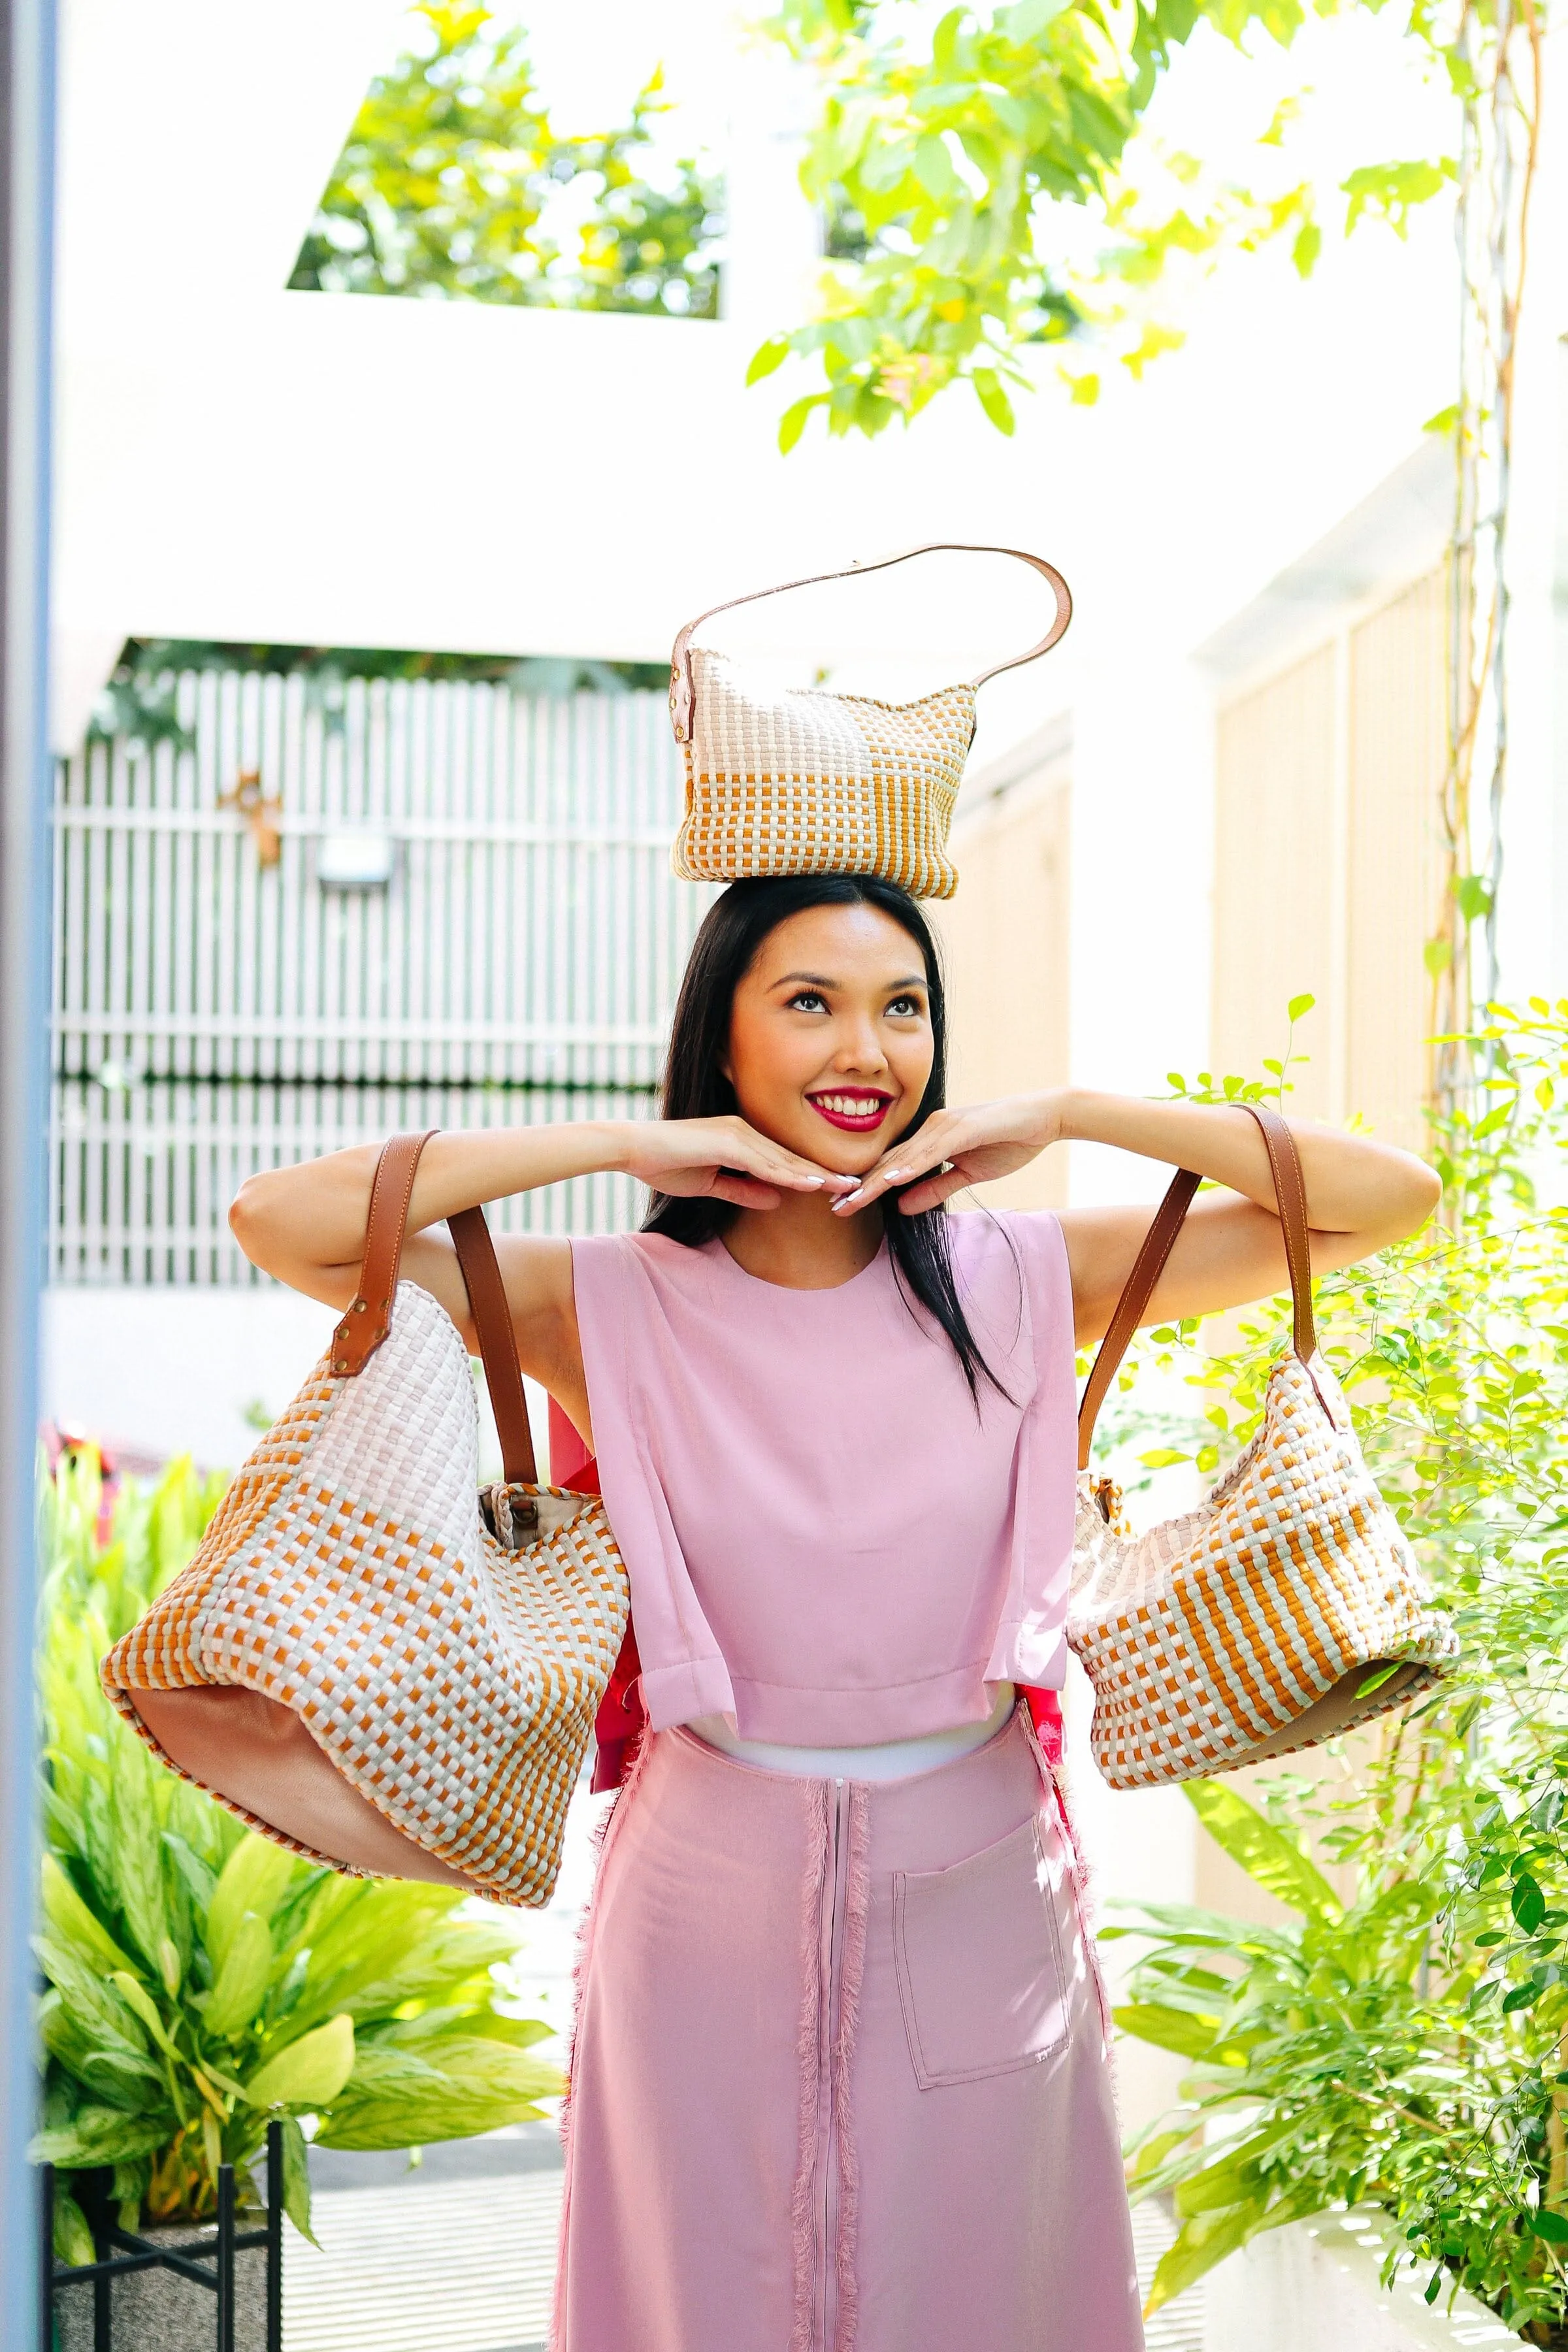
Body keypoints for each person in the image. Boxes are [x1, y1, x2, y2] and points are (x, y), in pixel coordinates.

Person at [229, 872, 1439, 2352]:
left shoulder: (1029, 1274)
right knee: (700, 2303)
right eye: (809, 1003)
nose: (866, 1049)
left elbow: (1389, 1200)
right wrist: (628, 1141)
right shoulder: (597, 1300)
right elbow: (281, 1221)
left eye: (903, 1007)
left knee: (986, 2303)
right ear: (722, 1046)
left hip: (982, 1888)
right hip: (702, 1892)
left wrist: (1063, 1112)